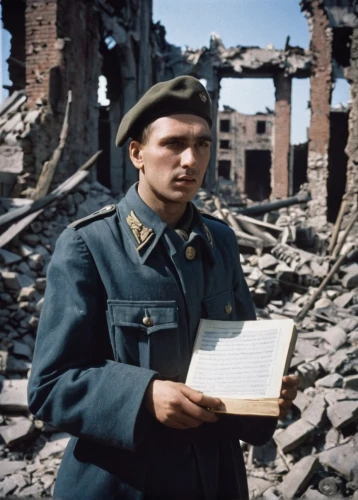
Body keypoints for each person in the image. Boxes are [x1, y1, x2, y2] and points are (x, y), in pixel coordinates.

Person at [28, 76, 298, 500]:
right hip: (124, 483)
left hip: (214, 479)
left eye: (203, 144)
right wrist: (143, 396)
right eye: (173, 144)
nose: (191, 160)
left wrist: (264, 394)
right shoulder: (88, 245)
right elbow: (50, 386)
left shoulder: (220, 241)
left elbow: (241, 357)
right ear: (137, 153)